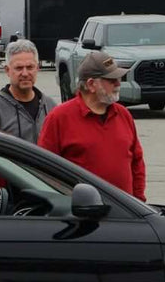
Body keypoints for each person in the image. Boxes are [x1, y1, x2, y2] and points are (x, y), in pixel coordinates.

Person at [38, 51, 146, 201]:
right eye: (111, 80)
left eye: (119, 78)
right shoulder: (59, 118)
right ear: (91, 84)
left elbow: (137, 163)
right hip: (81, 215)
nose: (118, 83)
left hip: (124, 215)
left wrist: (139, 201)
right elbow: (44, 169)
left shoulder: (123, 115)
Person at [0, 39, 56, 143]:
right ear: (7, 70)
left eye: (30, 67)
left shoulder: (50, 107)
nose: (25, 73)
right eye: (19, 68)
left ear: (37, 68)